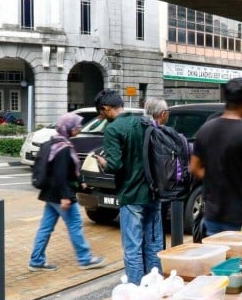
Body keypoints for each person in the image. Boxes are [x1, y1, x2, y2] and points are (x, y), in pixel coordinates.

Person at [190, 77, 242, 234]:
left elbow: (194, 167)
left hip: (213, 215)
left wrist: (215, 178)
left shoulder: (205, 129)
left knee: (219, 257)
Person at [95, 89, 161, 283]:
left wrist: (102, 162)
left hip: (131, 195)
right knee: (153, 245)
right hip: (153, 192)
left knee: (133, 248)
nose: (101, 117)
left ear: (106, 109)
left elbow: (115, 165)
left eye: (101, 113)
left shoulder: (113, 129)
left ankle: (135, 290)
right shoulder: (146, 122)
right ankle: (155, 287)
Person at [28, 112, 106, 272]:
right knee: (75, 224)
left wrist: (81, 183)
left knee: (45, 227)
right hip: (60, 195)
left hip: (50, 194)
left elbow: (65, 172)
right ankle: (85, 259)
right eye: (76, 125)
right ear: (68, 128)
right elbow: (61, 175)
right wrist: (65, 197)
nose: (79, 128)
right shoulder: (63, 148)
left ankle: (36, 261)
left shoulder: (53, 143)